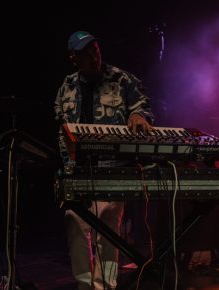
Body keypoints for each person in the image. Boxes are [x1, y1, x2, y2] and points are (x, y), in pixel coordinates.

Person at [54, 31, 154, 290]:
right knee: (75, 226)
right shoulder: (67, 86)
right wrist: (66, 168)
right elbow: (60, 128)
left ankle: (105, 286)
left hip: (112, 169)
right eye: (85, 53)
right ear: (73, 57)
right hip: (77, 171)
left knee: (108, 233)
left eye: (95, 49)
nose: (93, 56)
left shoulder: (121, 79)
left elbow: (142, 104)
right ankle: (85, 285)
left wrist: (139, 115)